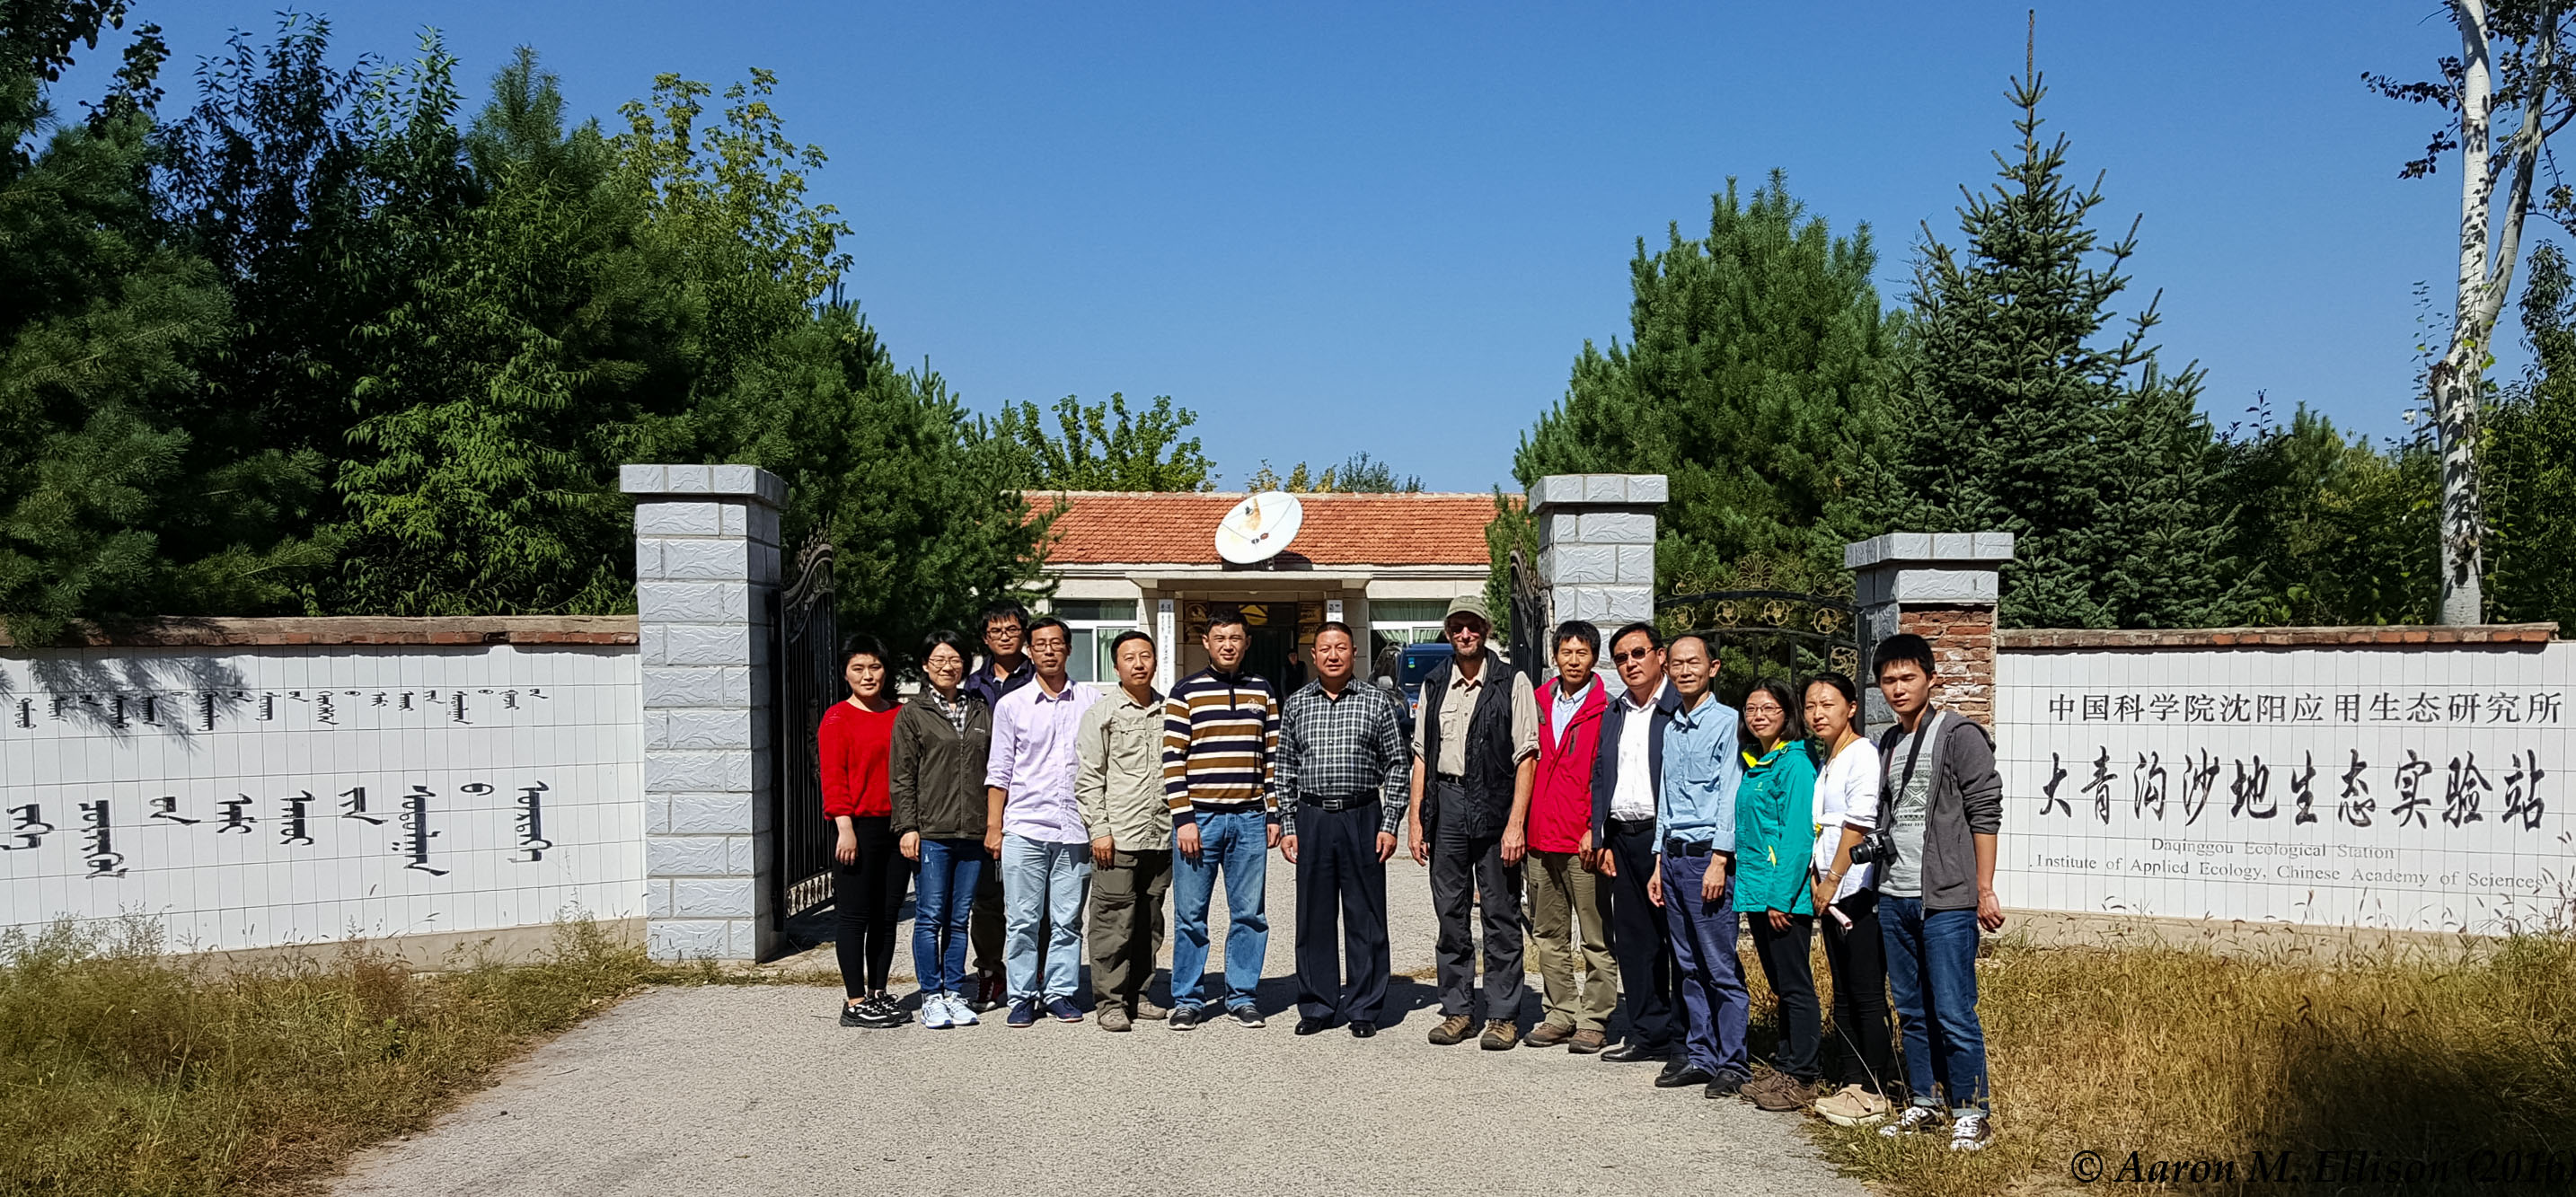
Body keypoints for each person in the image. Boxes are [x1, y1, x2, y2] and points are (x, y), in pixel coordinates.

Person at [1868, 632, 2005, 1151]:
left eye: (1908, 677)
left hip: (1946, 897)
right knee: (1911, 1008)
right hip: (1894, 893)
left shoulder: (1959, 735)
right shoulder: (1889, 741)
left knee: (1953, 1009)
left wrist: (1984, 888)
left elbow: (1985, 811)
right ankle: (1924, 1102)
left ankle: (1972, 1111)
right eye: (1889, 680)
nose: (1898, 688)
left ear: (1931, 678)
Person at [1405, 596, 1538, 1051]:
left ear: (1486, 630)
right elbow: (1421, 755)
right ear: (1448, 632)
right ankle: (1458, 1010)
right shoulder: (1434, 683)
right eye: (1458, 626)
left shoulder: (1511, 681)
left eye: (1473, 626)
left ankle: (1502, 1015)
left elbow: (1527, 757)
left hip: (1495, 806)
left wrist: (1516, 823)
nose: (1465, 634)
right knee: (1451, 914)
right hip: (1447, 805)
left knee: (1500, 914)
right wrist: (1416, 819)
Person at [1278, 621, 1409, 1038]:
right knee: (1313, 916)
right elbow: (1284, 767)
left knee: (1364, 915)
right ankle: (1317, 1004)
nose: (1333, 655)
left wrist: (1390, 824)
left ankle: (1364, 1006)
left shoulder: (1377, 702)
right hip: (1312, 817)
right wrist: (1288, 824)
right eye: (1325, 648)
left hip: (1362, 815)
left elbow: (1397, 765)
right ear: (1313, 656)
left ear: (1354, 653)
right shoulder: (1297, 704)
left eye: (1341, 648)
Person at [1160, 607, 1283, 1029]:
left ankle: (1242, 995)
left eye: (1235, 638)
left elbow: (1271, 757)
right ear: (1206, 643)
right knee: (1190, 916)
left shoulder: (1262, 691)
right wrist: (1184, 818)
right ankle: (1188, 999)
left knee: (1250, 915)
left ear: (1246, 643)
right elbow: (1173, 758)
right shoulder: (1185, 692)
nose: (1228, 645)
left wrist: (1272, 812)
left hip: (1249, 818)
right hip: (1200, 820)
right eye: (1220, 638)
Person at [1646, 633, 1751, 1097]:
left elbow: (1731, 791)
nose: (1685, 670)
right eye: (1677, 664)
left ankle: (1733, 1062)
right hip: (1672, 858)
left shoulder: (1728, 723)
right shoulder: (1672, 728)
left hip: (1708, 858)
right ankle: (1700, 1054)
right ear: (1667, 669)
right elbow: (1666, 799)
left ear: (1714, 668)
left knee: (1719, 965)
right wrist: (1657, 860)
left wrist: (1720, 858)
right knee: (1687, 966)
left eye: (1694, 662)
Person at [984, 617, 1098, 1028]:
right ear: (1029, 652)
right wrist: (994, 827)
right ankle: (1021, 996)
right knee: (1022, 921)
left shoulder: (1091, 701)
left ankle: (1060, 992)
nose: (1048, 651)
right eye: (1040, 644)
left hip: (1075, 829)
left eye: (1056, 643)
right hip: (1025, 827)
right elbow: (999, 770)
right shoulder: (1012, 705)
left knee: (1067, 921)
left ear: (1069, 649)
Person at [1517, 620, 1618, 1053]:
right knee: (1548, 934)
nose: (1573, 661)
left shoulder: (1607, 708)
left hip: (1582, 840)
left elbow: (1607, 775)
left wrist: (1595, 828)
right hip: (1541, 836)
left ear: (1594, 657)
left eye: (1582, 653)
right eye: (1566, 652)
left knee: (1595, 936)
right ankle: (1560, 1012)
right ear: (1554, 656)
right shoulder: (1538, 702)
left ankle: (1594, 1018)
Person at [1803, 673, 1897, 1127]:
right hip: (1831, 893)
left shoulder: (1862, 754)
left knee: (1866, 993)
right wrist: (1818, 878)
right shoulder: (1829, 759)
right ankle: (1851, 1081)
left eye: (1828, 704)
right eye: (1810, 706)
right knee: (1841, 991)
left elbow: (1858, 824)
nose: (1818, 714)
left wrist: (1833, 879)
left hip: (1857, 891)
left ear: (1852, 708)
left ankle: (1877, 1088)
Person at [890, 629, 994, 1030]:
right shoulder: (913, 714)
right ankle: (931, 995)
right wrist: (908, 827)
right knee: (930, 916)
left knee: (959, 917)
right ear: (925, 665)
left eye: (954, 660)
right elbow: (902, 776)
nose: (947, 667)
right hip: (932, 831)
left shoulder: (979, 709)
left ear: (965, 665)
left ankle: (954, 991)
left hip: (973, 831)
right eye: (939, 660)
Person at [1586, 622, 1680, 1069]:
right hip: (1623, 838)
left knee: (1678, 943)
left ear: (1660, 656)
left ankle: (1687, 1039)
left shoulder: (1679, 707)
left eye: (1638, 653)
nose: (1630, 664)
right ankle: (1648, 1033)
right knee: (1635, 942)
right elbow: (1601, 774)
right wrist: (1601, 836)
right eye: (1621, 658)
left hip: (1667, 840)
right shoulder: (1615, 712)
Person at [1732, 680, 1824, 1111]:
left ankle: (1804, 1075)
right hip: (1758, 890)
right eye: (1752, 709)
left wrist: (1781, 898)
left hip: (1781, 896)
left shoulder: (1796, 763)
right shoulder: (1759, 760)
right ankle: (1785, 1066)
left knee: (1796, 985)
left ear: (1787, 713)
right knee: (1781, 985)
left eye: (1769, 708)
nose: (1759, 716)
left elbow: (1798, 837)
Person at [1076, 629, 1174, 1032]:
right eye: (1129, 657)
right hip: (1118, 836)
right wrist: (1099, 829)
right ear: (1116, 666)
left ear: (1155, 662)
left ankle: (1139, 993)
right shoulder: (1102, 714)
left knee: (1149, 921)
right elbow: (1088, 778)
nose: (1138, 664)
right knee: (1113, 922)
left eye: (1145, 656)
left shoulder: (1171, 711)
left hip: (1160, 833)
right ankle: (1110, 1001)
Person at [819, 636, 911, 1028]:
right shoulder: (837, 718)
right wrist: (844, 826)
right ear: (846, 674)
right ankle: (855, 1001)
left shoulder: (900, 715)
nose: (868, 675)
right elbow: (833, 776)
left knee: (887, 915)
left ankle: (877, 991)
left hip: (897, 826)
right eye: (858, 668)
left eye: (875, 667)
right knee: (855, 916)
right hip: (856, 827)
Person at [963, 601, 1035, 1011]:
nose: (1004, 637)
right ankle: (991, 972)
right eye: (995, 631)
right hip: (981, 802)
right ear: (985, 638)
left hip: (1031, 801)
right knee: (987, 900)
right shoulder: (972, 687)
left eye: (1011, 630)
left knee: (1036, 899)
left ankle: (1037, 974)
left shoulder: (1041, 679)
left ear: (1023, 633)